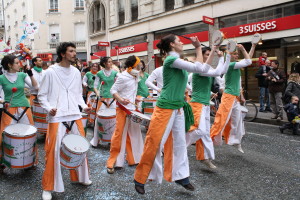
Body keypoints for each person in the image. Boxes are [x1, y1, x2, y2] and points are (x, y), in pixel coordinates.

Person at [134, 34, 210, 194]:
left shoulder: (178, 61)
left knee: (180, 144)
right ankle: (140, 178)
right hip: (165, 107)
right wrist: (197, 48)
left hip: (179, 108)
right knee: (154, 142)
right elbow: (199, 68)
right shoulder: (170, 60)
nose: (182, 42)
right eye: (179, 41)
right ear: (171, 45)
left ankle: (182, 177)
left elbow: (201, 68)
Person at [38, 42, 92, 200]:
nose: (75, 54)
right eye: (71, 51)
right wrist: (49, 109)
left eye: (75, 51)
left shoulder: (76, 72)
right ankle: (48, 186)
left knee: (80, 148)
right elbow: (42, 95)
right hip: (57, 117)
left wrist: (83, 106)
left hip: (75, 115)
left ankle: (81, 178)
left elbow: (77, 94)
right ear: (62, 54)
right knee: (53, 152)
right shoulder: (50, 72)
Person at [186, 46, 231, 169]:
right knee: (198, 131)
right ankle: (177, 147)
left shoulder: (209, 70)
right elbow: (217, 72)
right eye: (206, 55)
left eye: (209, 55)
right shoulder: (198, 68)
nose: (208, 57)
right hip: (196, 104)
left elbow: (222, 71)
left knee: (205, 133)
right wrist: (219, 57)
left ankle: (204, 158)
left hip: (205, 104)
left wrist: (226, 56)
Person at [210, 44, 252, 154]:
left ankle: (236, 141)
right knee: (221, 120)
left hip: (235, 98)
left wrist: (253, 46)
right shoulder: (232, 65)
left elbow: (248, 60)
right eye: (235, 53)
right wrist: (243, 49)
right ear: (229, 55)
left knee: (237, 121)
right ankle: (211, 139)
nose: (237, 55)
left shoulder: (236, 67)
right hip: (228, 97)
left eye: (238, 53)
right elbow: (248, 61)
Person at [106, 55, 144, 174]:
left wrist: (135, 99)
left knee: (135, 134)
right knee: (119, 135)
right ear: (133, 65)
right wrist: (121, 99)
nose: (141, 66)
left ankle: (135, 159)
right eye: (139, 64)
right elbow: (113, 90)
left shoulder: (135, 76)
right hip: (122, 109)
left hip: (132, 109)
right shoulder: (122, 76)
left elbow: (130, 91)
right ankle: (113, 162)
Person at [0, 55, 38, 173]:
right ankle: (2, 161)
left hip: (24, 108)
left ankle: (31, 160)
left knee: (29, 134)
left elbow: (35, 87)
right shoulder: (1, 78)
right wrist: (3, 101)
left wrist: (31, 75)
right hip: (9, 109)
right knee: (3, 135)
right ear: (9, 65)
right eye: (17, 63)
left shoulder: (22, 75)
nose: (19, 64)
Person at [90, 57, 118, 147]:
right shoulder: (99, 73)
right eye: (109, 62)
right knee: (99, 119)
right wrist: (98, 93)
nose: (111, 63)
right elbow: (95, 85)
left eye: (111, 61)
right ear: (105, 63)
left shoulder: (115, 73)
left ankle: (112, 139)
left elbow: (118, 84)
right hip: (102, 99)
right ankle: (97, 140)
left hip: (113, 99)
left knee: (114, 119)